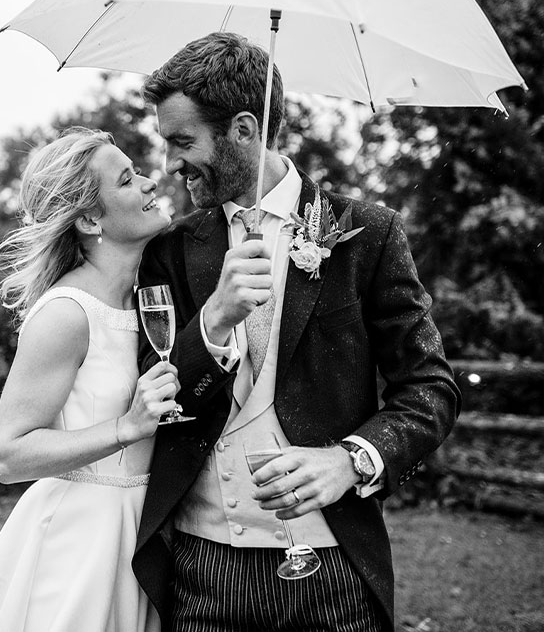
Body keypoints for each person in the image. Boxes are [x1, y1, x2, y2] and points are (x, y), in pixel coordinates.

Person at [131, 33, 460, 632]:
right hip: (203, 567)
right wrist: (215, 321)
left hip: (335, 568)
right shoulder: (171, 250)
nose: (172, 163)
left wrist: (351, 461)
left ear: (243, 129)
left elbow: (430, 387)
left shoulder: (367, 233)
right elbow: (154, 392)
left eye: (183, 141)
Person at [0, 127, 178, 632]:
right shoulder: (67, 313)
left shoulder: (150, 299)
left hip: (145, 528)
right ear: (90, 217)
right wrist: (126, 427)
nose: (148, 183)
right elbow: (7, 456)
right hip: (80, 540)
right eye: (127, 180)